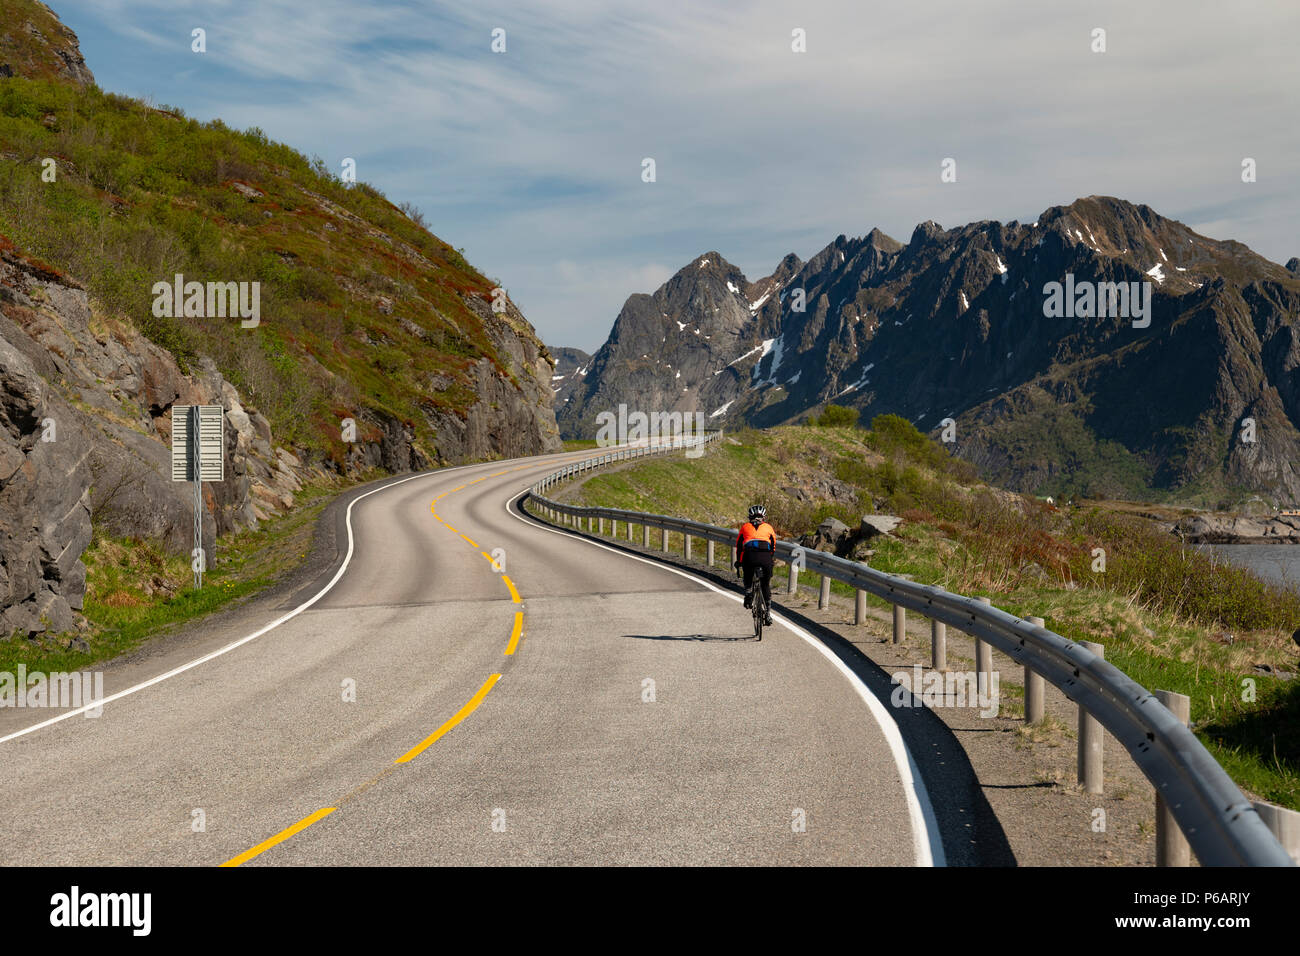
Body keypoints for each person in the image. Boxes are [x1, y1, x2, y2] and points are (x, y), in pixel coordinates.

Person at [734, 504, 776, 626]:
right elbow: (773, 547)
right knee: (765, 585)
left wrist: (739, 562)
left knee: (747, 576)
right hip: (765, 558)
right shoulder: (769, 527)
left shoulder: (745, 527)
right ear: (763, 517)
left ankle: (748, 593)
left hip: (750, 557)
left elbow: (739, 547)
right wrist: (770, 559)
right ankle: (768, 613)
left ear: (749, 516)